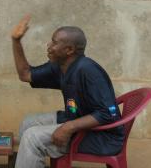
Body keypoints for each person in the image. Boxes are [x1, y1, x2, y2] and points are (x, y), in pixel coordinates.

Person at [10, 15, 125, 168]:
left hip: (102, 137)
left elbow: (108, 113)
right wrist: (16, 41)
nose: (49, 45)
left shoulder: (88, 71)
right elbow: (26, 75)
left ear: (69, 50)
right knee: (28, 123)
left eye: (54, 42)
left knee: (32, 137)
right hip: (78, 120)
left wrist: (67, 127)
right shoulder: (60, 66)